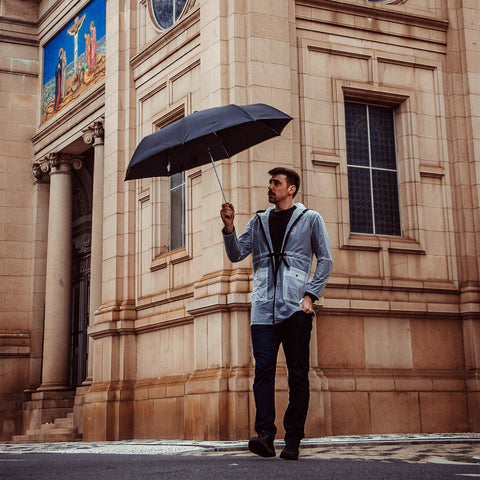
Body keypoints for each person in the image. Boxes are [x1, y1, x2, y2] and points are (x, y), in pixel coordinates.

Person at [220, 167, 333, 461]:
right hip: (263, 310)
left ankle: (293, 439)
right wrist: (229, 228)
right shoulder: (258, 221)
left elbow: (325, 260)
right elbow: (236, 254)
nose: (270, 187)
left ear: (291, 189)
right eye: (270, 182)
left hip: (296, 308)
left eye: (276, 183)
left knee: (298, 376)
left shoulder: (311, 219)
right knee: (263, 373)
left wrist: (311, 294)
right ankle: (266, 436)